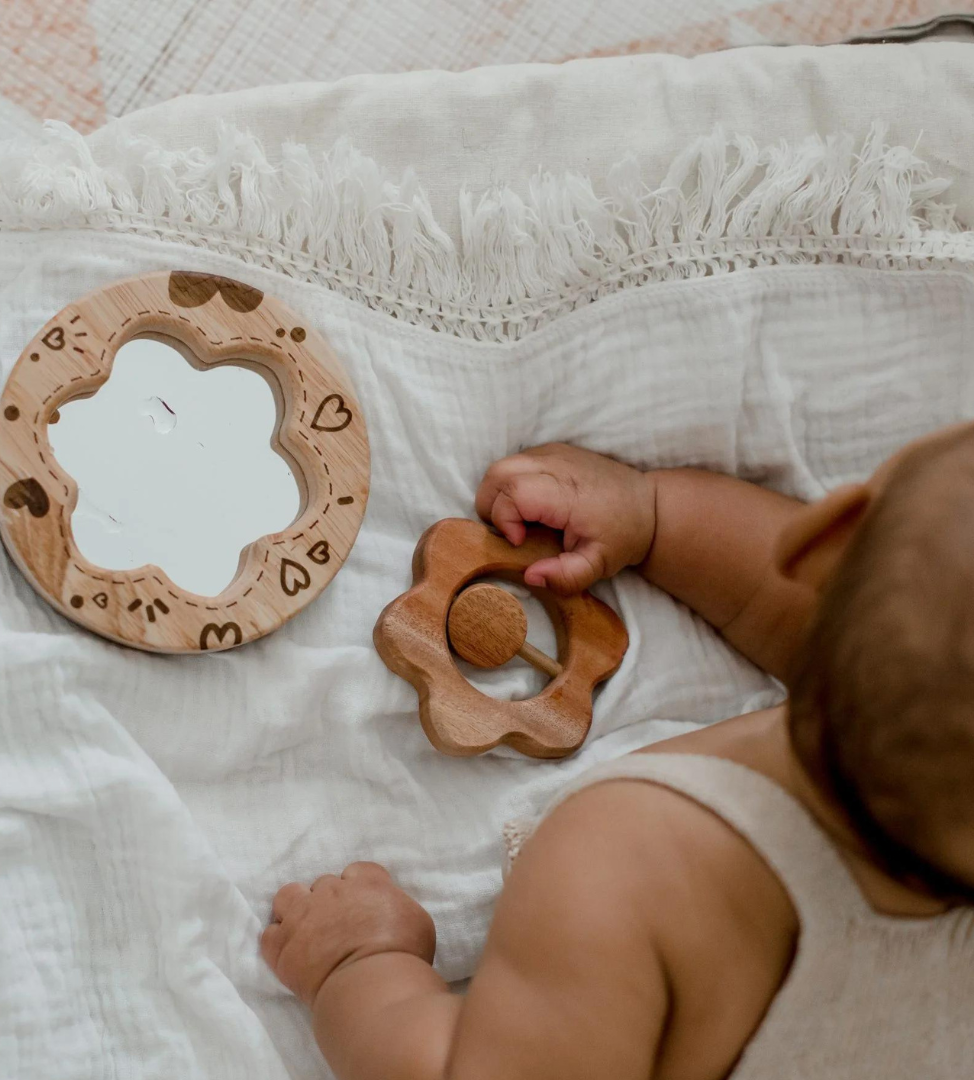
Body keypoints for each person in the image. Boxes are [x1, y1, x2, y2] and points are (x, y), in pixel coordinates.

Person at [261, 427, 974, 1079]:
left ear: (829, 535)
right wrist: (654, 517)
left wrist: (360, 967)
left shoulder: (626, 876)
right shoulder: (917, 723)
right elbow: (797, 601)